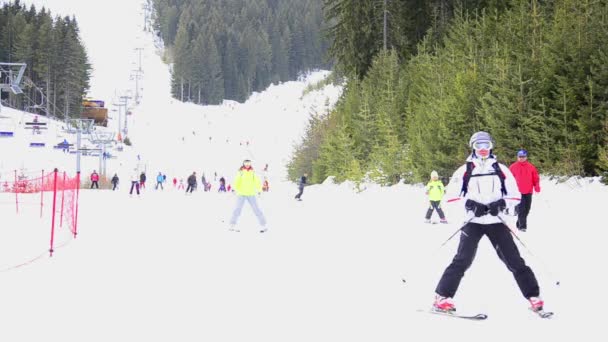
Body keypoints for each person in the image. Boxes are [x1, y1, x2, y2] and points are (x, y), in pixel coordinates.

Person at [432, 131, 545, 314]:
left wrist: (501, 203)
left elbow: (515, 195)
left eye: (486, 145)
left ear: (491, 146)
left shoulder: (501, 169)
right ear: (473, 147)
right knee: (462, 260)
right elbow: (450, 198)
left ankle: (533, 296)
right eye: (479, 146)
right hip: (473, 221)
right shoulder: (465, 170)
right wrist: (469, 204)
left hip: (496, 221)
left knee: (514, 260)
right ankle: (442, 297)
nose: (483, 149)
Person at [228, 159, 267, 233]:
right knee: (237, 209)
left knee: (256, 209)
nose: (247, 165)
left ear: (250, 164)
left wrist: (259, 190)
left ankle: (263, 225)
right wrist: (234, 189)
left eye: (248, 163)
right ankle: (232, 225)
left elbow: (257, 181)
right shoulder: (241, 172)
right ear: (243, 164)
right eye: (246, 163)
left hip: (251, 193)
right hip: (241, 193)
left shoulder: (253, 172)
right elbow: (236, 181)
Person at [509, 149, 540, 232]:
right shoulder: (513, 167)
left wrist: (536, 186)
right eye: (520, 157)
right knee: (521, 209)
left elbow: (535, 178)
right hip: (518, 192)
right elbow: (508, 179)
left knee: (527, 209)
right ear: (517, 157)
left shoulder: (531, 167)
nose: (521, 158)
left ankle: (519, 222)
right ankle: (522, 227)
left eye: (523, 157)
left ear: (526, 157)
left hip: (528, 191)